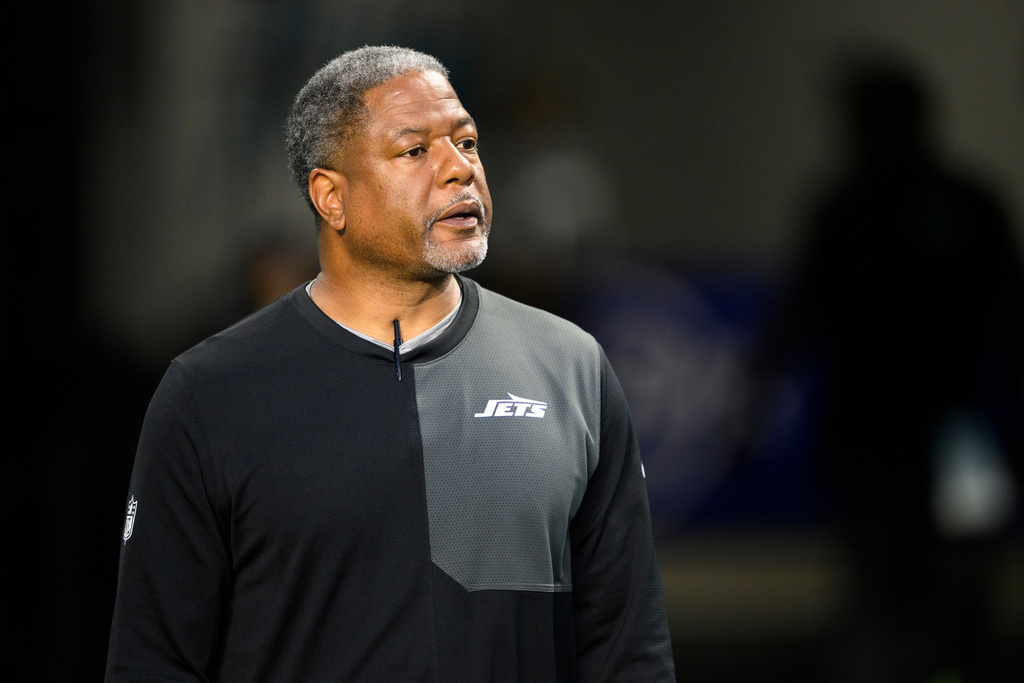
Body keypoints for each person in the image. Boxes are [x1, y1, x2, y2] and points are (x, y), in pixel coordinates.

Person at [104, 46, 676, 682]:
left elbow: (630, 653)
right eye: (415, 150)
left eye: (467, 142)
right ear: (331, 198)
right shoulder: (208, 393)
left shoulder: (572, 369)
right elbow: (153, 662)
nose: (459, 169)